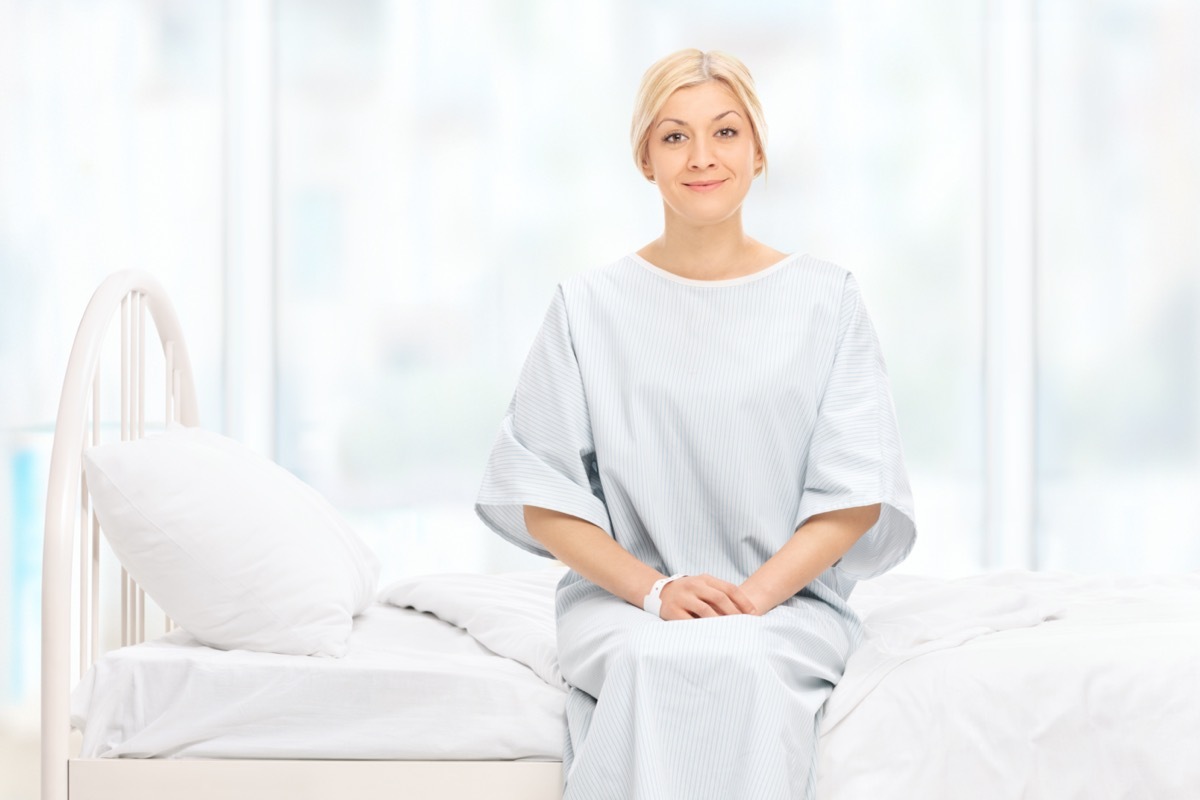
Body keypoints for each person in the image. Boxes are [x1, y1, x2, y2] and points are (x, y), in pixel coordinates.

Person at [475, 47, 917, 800]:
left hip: (787, 606)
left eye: (726, 132)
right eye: (675, 136)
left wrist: (749, 602)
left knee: (740, 663)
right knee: (653, 665)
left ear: (758, 151)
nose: (702, 157)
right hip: (624, 605)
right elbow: (541, 493)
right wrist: (656, 593)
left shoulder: (825, 300)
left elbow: (854, 494)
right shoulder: (588, 308)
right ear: (645, 158)